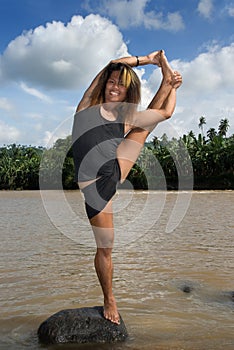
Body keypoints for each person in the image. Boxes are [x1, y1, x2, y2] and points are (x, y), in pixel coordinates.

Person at [72, 50, 182, 325]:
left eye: (121, 85)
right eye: (112, 82)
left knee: (148, 126)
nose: (115, 87)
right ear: (105, 83)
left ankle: (167, 83)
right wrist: (149, 58)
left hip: (115, 166)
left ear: (126, 92)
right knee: (106, 246)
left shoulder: (124, 117)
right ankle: (110, 298)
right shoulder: (85, 108)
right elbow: (113, 64)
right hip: (95, 187)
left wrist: (172, 85)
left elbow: (166, 112)